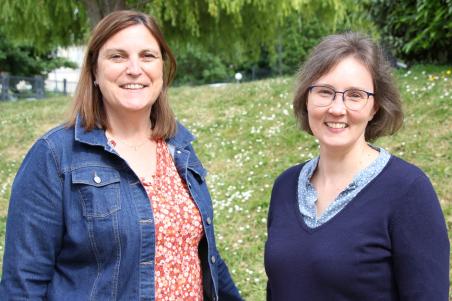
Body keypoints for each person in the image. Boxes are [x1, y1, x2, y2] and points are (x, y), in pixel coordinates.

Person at [0, 10, 242, 301]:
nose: (134, 69)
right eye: (117, 57)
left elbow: (203, 258)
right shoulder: (55, 156)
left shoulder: (180, 150)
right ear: (94, 72)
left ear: (162, 70)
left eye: (148, 56)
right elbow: (22, 285)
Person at [264, 32, 449, 300]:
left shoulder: (408, 191)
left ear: (374, 107)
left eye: (355, 95)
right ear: (306, 98)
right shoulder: (285, 186)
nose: (338, 109)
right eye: (325, 92)